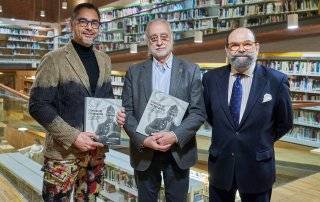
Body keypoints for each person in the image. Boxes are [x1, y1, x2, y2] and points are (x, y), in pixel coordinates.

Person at [29, 3, 114, 201]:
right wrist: (73, 136)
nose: (89, 27)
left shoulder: (104, 60)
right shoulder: (53, 59)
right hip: (63, 154)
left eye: (94, 23)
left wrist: (114, 113)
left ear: (99, 27)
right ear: (71, 24)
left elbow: (106, 99)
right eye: (83, 21)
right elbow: (37, 105)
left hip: (95, 152)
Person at [202, 27, 293, 202]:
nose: (241, 49)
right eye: (235, 45)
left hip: (258, 168)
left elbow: (285, 122)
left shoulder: (276, 80)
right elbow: (210, 115)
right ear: (227, 50)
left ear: (257, 47)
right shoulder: (210, 79)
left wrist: (259, 139)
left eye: (247, 44)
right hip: (221, 165)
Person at [120, 18, 206, 202]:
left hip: (178, 152)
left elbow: (198, 113)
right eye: (153, 38)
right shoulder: (134, 72)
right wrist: (144, 140)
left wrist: (175, 135)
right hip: (144, 152)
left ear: (172, 39)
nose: (159, 42)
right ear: (147, 42)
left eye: (163, 37)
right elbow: (126, 112)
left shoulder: (191, 71)